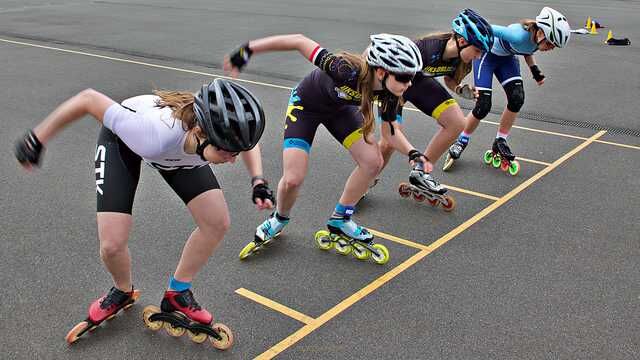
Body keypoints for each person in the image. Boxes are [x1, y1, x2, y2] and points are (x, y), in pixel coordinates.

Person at [14, 78, 273, 349]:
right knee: (112, 244)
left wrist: (258, 180)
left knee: (216, 222)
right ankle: (122, 291)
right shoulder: (152, 134)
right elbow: (88, 99)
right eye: (227, 151)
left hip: (180, 154)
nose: (232, 159)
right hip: (123, 143)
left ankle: (178, 292)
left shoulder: (218, 129)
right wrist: (37, 139)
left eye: (235, 151)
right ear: (200, 130)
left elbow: (244, 142)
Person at [224, 33, 423, 263]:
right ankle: (279, 218)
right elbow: (298, 41)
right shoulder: (345, 69)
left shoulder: (391, 91)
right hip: (306, 106)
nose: (409, 84)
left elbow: (389, 133)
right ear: (381, 71)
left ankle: (341, 218)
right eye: (404, 77)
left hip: (340, 111)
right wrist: (248, 49)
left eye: (412, 77)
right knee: (293, 179)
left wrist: (412, 152)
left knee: (373, 162)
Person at [374, 9, 494, 209]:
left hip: (418, 83)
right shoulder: (425, 49)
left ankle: (420, 172)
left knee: (457, 123)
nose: (479, 56)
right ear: (463, 41)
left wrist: (458, 88)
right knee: (389, 142)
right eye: (478, 50)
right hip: (396, 86)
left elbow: (449, 77)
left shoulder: (463, 60)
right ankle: (367, 180)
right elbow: (392, 76)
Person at [444, 7, 570, 175]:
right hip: (487, 57)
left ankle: (500, 140)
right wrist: (459, 45)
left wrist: (535, 70)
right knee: (483, 106)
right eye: (550, 43)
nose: (550, 48)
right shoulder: (516, 35)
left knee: (517, 98)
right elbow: (484, 28)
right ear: (540, 33)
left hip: (506, 60)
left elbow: (526, 50)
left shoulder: (536, 39)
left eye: (554, 46)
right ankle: (461, 140)